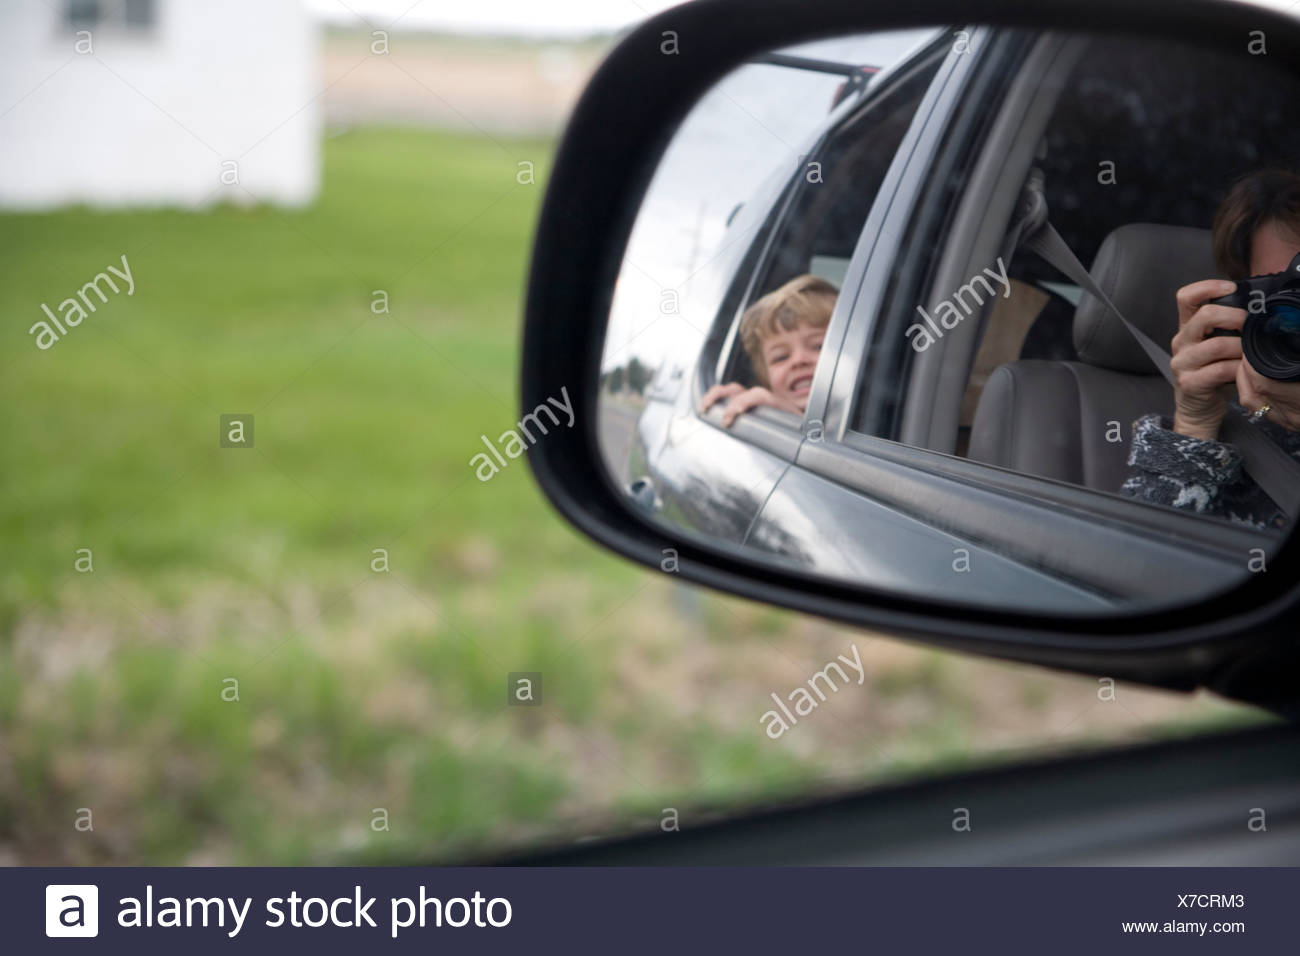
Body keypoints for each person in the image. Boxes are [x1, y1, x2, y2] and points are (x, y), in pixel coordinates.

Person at [1121, 169, 1300, 528]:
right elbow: (1140, 564)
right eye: (1284, 289)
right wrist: (1195, 423)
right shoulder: (1237, 443)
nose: (1294, 316)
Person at [699, 274, 837, 427]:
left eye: (820, 347)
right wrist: (759, 409)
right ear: (765, 379)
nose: (799, 360)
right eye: (781, 357)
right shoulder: (764, 406)